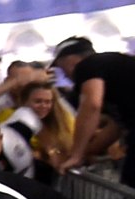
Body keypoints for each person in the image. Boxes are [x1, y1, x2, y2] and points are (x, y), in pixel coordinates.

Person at [54, 36, 135, 186]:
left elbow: (91, 105)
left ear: (71, 60)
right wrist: (85, 152)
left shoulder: (87, 66)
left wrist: (76, 155)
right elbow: (115, 127)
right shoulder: (115, 72)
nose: (64, 75)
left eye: (61, 68)